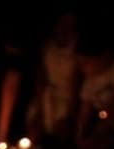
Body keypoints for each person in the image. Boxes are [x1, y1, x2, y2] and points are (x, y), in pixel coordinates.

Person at [33, 11, 80, 141]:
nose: (65, 28)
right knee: (34, 128)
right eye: (62, 23)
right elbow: (40, 78)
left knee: (62, 131)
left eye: (69, 24)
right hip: (48, 95)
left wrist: (71, 114)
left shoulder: (77, 46)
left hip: (69, 98)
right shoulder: (48, 46)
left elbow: (77, 82)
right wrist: (39, 108)